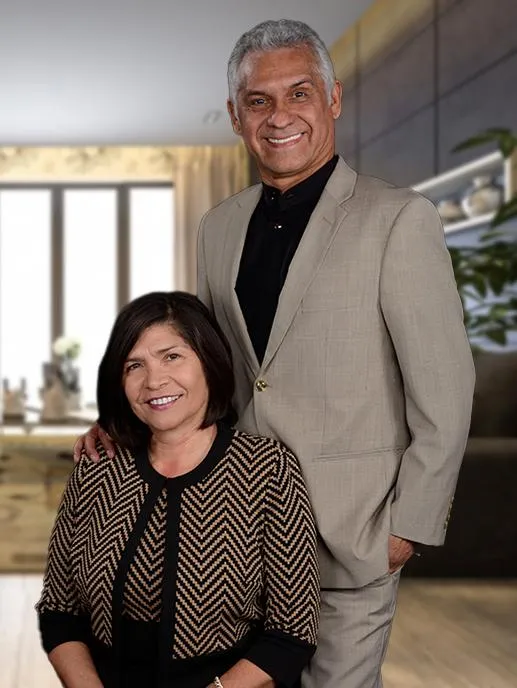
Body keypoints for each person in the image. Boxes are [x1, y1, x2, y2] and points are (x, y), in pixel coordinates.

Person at [74, 19, 476, 688]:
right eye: (258, 101)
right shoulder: (218, 226)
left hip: (349, 533)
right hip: (233, 532)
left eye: (299, 93)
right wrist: (125, 422)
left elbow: (444, 387)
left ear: (333, 99)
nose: (279, 116)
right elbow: (208, 367)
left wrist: (407, 527)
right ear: (236, 116)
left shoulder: (398, 220)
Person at [38, 291, 320, 688]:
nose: (154, 381)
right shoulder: (98, 468)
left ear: (208, 360)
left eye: (172, 356)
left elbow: (292, 630)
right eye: (134, 365)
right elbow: (59, 610)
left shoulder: (266, 468)